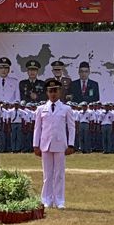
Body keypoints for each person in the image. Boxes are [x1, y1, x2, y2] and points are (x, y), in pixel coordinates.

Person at [33, 80, 76, 209]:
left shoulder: (66, 108)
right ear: (47, 92)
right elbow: (37, 128)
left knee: (59, 174)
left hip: (60, 144)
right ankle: (46, 199)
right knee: (47, 174)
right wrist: (36, 145)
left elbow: (72, 127)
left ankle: (59, 200)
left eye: (55, 90)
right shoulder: (41, 109)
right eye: (50, 91)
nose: (53, 93)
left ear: (60, 91)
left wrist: (71, 144)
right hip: (45, 144)